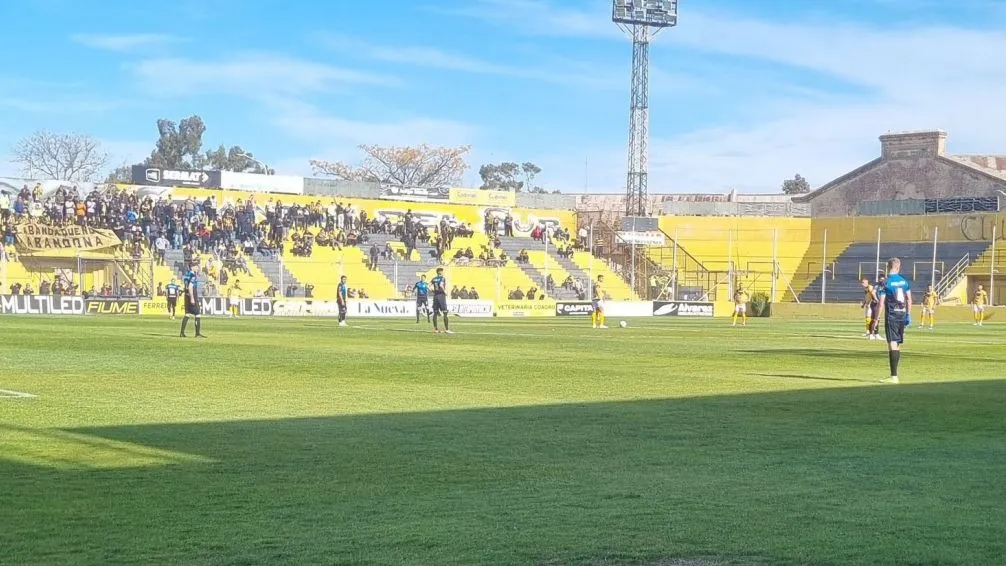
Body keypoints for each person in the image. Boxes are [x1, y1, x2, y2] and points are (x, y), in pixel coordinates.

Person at [878, 257, 911, 384]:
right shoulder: (904, 281)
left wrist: (876, 318)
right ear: (898, 267)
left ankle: (893, 376)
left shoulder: (886, 282)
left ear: (888, 267)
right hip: (902, 315)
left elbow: (881, 303)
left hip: (891, 315)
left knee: (891, 343)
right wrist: (908, 314)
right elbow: (909, 299)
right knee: (897, 344)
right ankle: (894, 375)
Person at [180, 265, 206, 338]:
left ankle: (182, 332)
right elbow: (190, 286)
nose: (198, 268)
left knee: (187, 314)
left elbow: (186, 286)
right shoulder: (193, 275)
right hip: (192, 295)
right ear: (192, 267)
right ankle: (197, 333)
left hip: (186, 296)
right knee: (197, 314)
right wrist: (192, 298)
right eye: (196, 267)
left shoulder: (186, 275)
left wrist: (187, 295)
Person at [430, 267, 452, 334]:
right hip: (441, 296)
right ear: (440, 272)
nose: (443, 272)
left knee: (435, 313)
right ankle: (447, 329)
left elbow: (428, 285)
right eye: (442, 271)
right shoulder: (442, 278)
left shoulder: (434, 279)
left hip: (435, 296)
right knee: (445, 312)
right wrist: (445, 291)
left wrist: (432, 290)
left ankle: (436, 329)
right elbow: (441, 285)